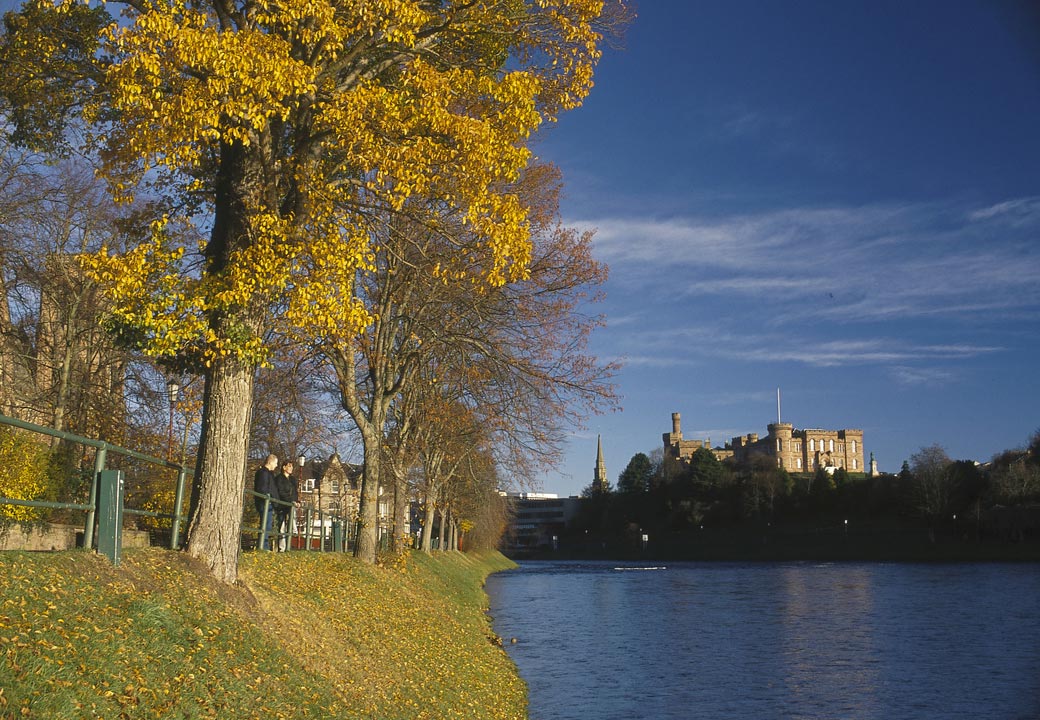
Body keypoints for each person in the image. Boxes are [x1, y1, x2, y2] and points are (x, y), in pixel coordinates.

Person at [253, 454, 279, 550]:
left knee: (267, 525)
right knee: (265, 525)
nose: (276, 466)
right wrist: (268, 498)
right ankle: (263, 547)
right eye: (275, 463)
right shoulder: (263, 473)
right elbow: (263, 488)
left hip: (268, 502)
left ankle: (264, 546)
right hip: (264, 503)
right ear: (270, 462)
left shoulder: (268, 474)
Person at [274, 460, 298, 551]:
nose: (291, 468)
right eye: (289, 466)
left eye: (292, 466)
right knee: (282, 527)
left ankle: (294, 529)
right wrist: (290, 500)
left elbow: (295, 492)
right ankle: (282, 548)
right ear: (284, 467)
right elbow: (281, 492)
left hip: (290, 504)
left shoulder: (292, 479)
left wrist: (296, 501)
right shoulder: (279, 479)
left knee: (292, 511)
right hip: (281, 504)